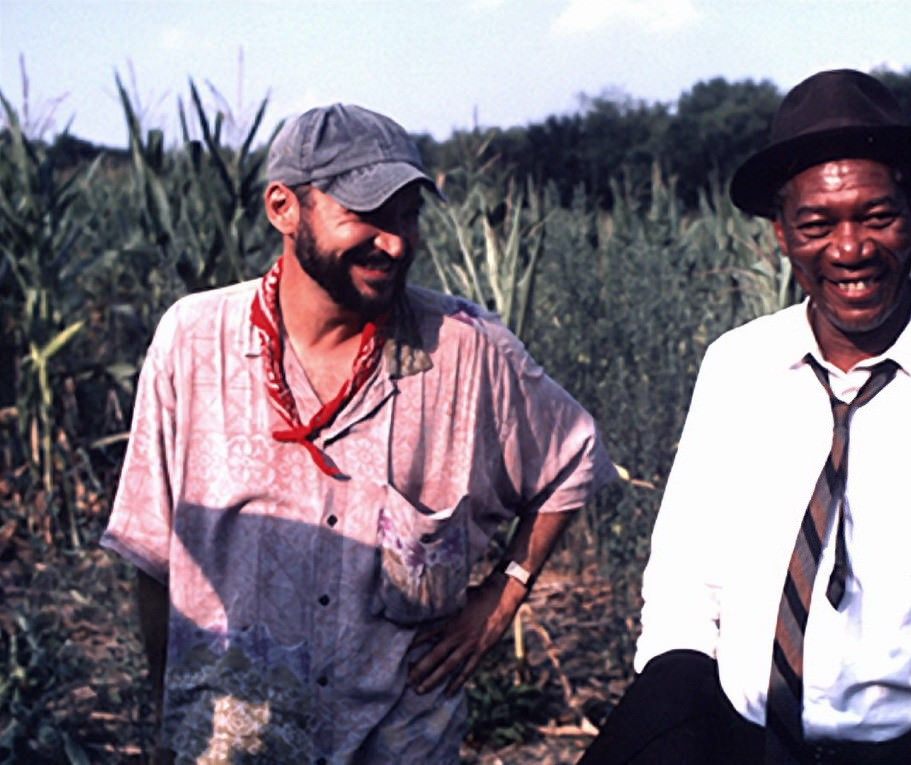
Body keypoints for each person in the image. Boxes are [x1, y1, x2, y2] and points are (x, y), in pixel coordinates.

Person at [580, 69, 911, 764]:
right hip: (747, 745)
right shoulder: (738, 368)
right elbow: (684, 577)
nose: (850, 250)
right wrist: (681, 721)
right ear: (782, 235)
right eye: (817, 223)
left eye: (877, 215)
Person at [101, 103, 615, 764]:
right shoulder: (194, 343)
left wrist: (506, 589)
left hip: (399, 734)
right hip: (238, 737)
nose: (396, 241)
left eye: (408, 214)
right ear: (284, 208)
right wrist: (170, 716)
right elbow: (152, 551)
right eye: (367, 216)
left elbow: (573, 453)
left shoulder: (466, 350)